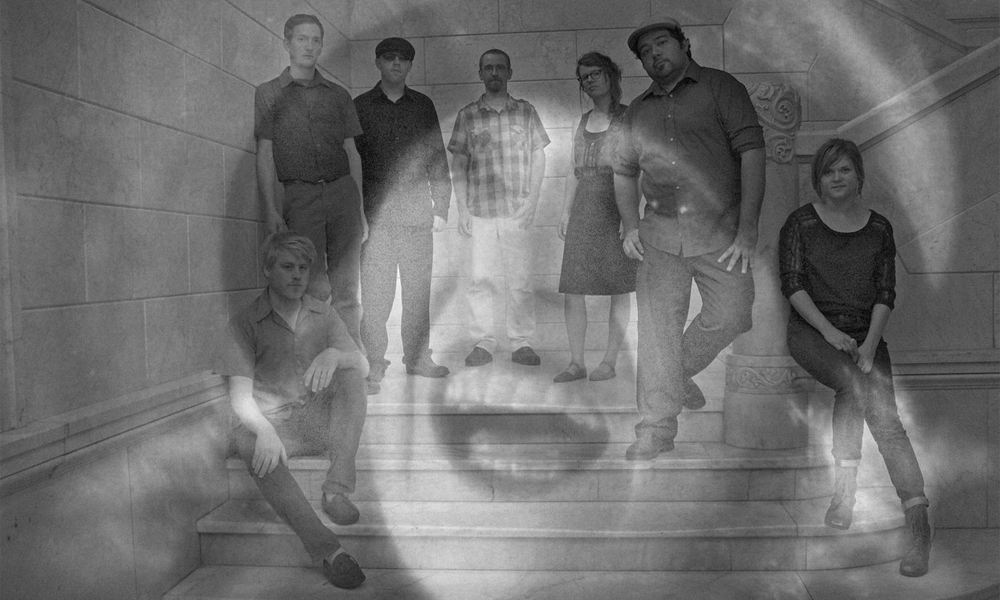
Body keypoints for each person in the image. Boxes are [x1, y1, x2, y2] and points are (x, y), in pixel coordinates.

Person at [613, 16, 766, 460]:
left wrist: (748, 229)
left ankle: (674, 377)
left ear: (684, 45)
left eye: (662, 43)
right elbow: (623, 172)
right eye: (645, 51)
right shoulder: (637, 111)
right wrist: (629, 225)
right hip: (659, 236)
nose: (654, 54)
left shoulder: (722, 88)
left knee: (734, 311)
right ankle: (655, 430)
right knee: (657, 333)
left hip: (719, 232)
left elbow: (752, 154)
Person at [779, 138, 932, 577]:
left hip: (866, 335)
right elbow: (792, 283)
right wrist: (830, 332)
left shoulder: (879, 228)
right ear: (818, 179)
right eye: (828, 171)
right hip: (813, 330)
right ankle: (845, 491)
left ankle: (918, 523)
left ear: (859, 176)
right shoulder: (801, 224)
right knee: (851, 384)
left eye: (844, 169)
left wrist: (868, 346)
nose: (837, 177)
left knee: (887, 421)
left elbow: (886, 292)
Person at [215, 231, 369, 589]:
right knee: (249, 442)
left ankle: (336, 490)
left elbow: (362, 365)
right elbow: (241, 397)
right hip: (277, 429)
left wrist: (335, 354)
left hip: (315, 423)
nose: (298, 275)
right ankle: (330, 552)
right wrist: (265, 432)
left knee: (351, 378)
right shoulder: (245, 323)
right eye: (287, 267)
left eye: (303, 267)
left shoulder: (323, 312)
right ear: (268, 270)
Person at [255, 14, 366, 347]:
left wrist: (359, 208)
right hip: (300, 197)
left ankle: (351, 360)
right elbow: (265, 154)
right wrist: (271, 210)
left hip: (342, 193)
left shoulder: (338, 94)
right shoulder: (268, 93)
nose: (309, 46)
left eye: (315, 40)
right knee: (311, 282)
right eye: (302, 39)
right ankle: (318, 361)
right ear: (287, 43)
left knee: (347, 284)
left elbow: (353, 153)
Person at [354, 38, 452, 395]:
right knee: (376, 295)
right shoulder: (360, 106)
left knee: (417, 293)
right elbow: (353, 165)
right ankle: (373, 363)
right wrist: (358, 216)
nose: (396, 64)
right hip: (375, 219)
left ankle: (417, 358)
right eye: (389, 58)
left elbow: (436, 156)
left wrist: (441, 206)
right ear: (378, 62)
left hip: (415, 217)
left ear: (410, 66)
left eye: (403, 59)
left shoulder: (422, 105)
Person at [448, 49, 550, 368]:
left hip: (516, 211)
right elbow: (459, 164)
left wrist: (533, 200)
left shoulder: (526, 111)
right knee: (480, 278)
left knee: (519, 280)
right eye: (488, 68)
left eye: (500, 67)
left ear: (509, 72)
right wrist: (462, 210)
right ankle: (484, 342)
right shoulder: (468, 115)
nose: (494, 72)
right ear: (480, 73)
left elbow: (538, 156)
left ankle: (521, 342)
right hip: (480, 211)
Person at [554, 52, 636, 383]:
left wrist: (629, 218)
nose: (589, 81)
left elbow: (637, 170)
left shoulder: (630, 117)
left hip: (616, 204)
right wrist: (565, 211)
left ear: (611, 75)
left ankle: (610, 362)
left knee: (620, 287)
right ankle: (576, 363)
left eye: (595, 74)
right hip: (585, 205)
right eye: (583, 77)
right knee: (574, 288)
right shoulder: (583, 120)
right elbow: (574, 169)